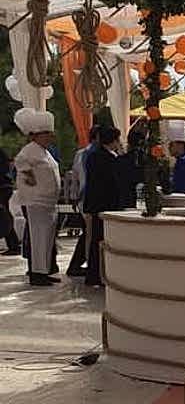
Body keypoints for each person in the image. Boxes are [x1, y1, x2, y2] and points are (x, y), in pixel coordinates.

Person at [12, 107, 61, 287]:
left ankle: (44, 270)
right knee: (38, 238)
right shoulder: (29, 150)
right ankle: (37, 273)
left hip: (48, 203)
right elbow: (21, 164)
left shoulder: (44, 151)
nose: (50, 137)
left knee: (47, 239)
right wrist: (29, 178)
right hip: (37, 202)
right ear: (37, 135)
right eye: (46, 134)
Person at [82, 126, 123, 287]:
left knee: (95, 240)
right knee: (101, 240)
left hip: (95, 204)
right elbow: (113, 184)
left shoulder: (93, 156)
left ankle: (93, 274)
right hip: (105, 205)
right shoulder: (108, 159)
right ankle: (98, 274)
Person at [66, 125, 101, 277]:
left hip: (82, 199)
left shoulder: (80, 154)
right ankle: (85, 265)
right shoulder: (91, 154)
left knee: (87, 233)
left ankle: (78, 264)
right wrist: (74, 196)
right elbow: (77, 177)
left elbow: (74, 178)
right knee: (89, 234)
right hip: (88, 198)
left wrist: (73, 196)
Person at [0, 147, 20, 254]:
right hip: (5, 187)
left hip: (2, 187)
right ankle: (13, 245)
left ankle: (14, 245)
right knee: (5, 215)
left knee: (4, 216)